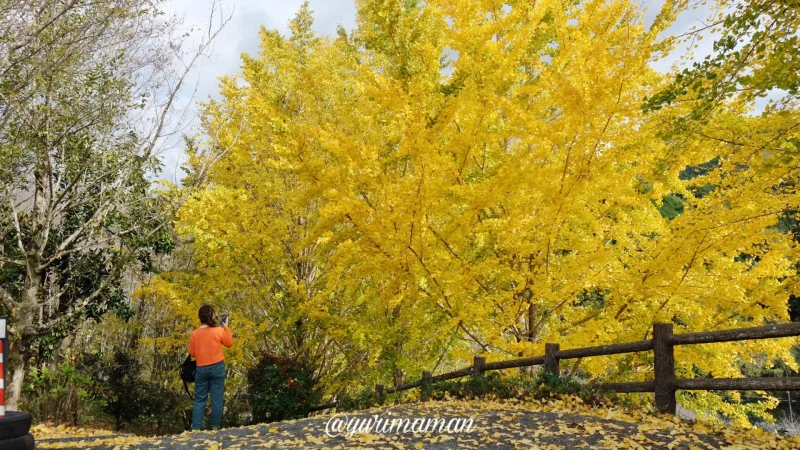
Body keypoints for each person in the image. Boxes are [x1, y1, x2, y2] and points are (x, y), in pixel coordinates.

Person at [189, 304, 234, 430]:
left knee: (199, 400)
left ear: (200, 317)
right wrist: (226, 327)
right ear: (212, 316)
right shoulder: (219, 330)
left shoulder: (194, 334)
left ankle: (196, 429)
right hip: (217, 367)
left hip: (201, 369)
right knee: (217, 399)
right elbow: (229, 343)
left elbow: (192, 353)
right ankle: (215, 427)